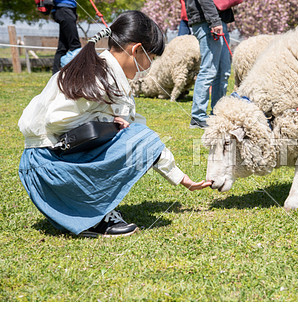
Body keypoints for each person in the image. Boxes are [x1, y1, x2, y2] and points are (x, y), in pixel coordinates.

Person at [18, 11, 211, 238]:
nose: (149, 66)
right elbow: (54, 119)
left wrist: (181, 178)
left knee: (138, 134)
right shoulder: (99, 76)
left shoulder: (106, 71)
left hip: (51, 163)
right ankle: (95, 216)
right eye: (150, 58)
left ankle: (88, 207)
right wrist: (107, 122)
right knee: (137, 135)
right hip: (47, 168)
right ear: (136, 50)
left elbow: (139, 132)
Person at [185, 0, 234, 129]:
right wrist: (215, 21)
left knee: (224, 71)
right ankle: (198, 116)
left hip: (217, 20)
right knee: (209, 70)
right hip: (207, 22)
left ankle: (217, 113)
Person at [51, 0, 82, 74]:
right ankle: (78, 74)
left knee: (62, 47)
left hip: (67, 10)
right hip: (64, 9)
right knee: (75, 45)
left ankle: (55, 75)